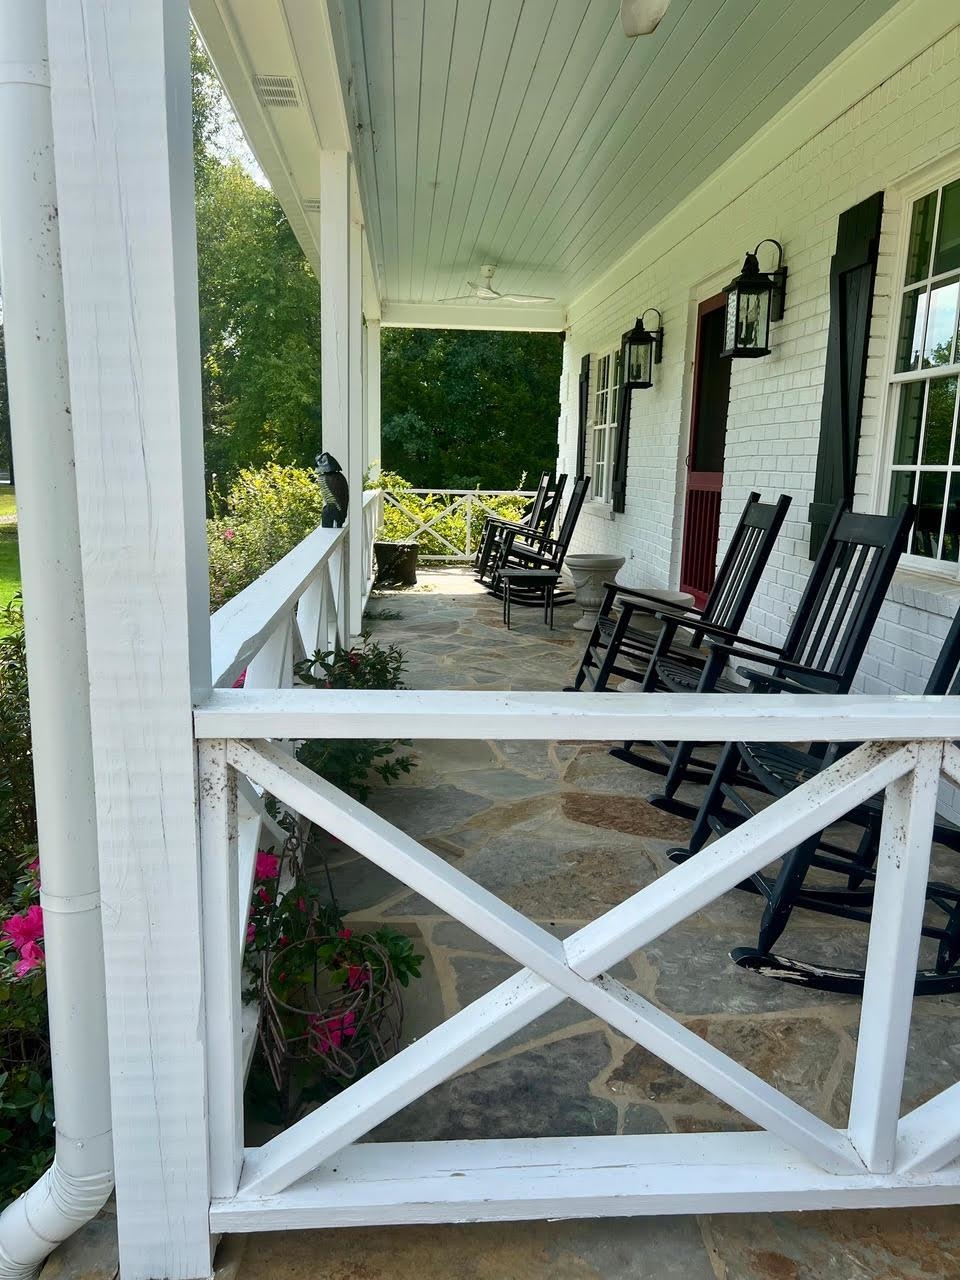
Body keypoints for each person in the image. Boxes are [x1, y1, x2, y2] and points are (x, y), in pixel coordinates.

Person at [315, 452, 349, 528]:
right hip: (331, 506)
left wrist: (338, 509)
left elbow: (339, 497)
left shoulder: (334, 477)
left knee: (329, 512)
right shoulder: (326, 477)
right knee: (327, 512)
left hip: (336, 507)